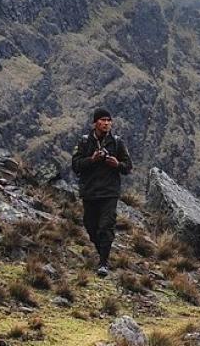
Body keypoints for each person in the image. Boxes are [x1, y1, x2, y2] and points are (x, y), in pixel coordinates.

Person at [71, 107, 133, 277]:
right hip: (90, 191)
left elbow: (128, 167)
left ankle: (103, 263)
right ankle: (102, 253)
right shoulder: (84, 143)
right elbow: (75, 165)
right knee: (91, 227)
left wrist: (117, 164)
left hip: (109, 192)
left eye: (108, 120)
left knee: (106, 227)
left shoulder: (117, 143)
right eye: (103, 120)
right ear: (95, 123)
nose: (106, 123)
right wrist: (92, 160)